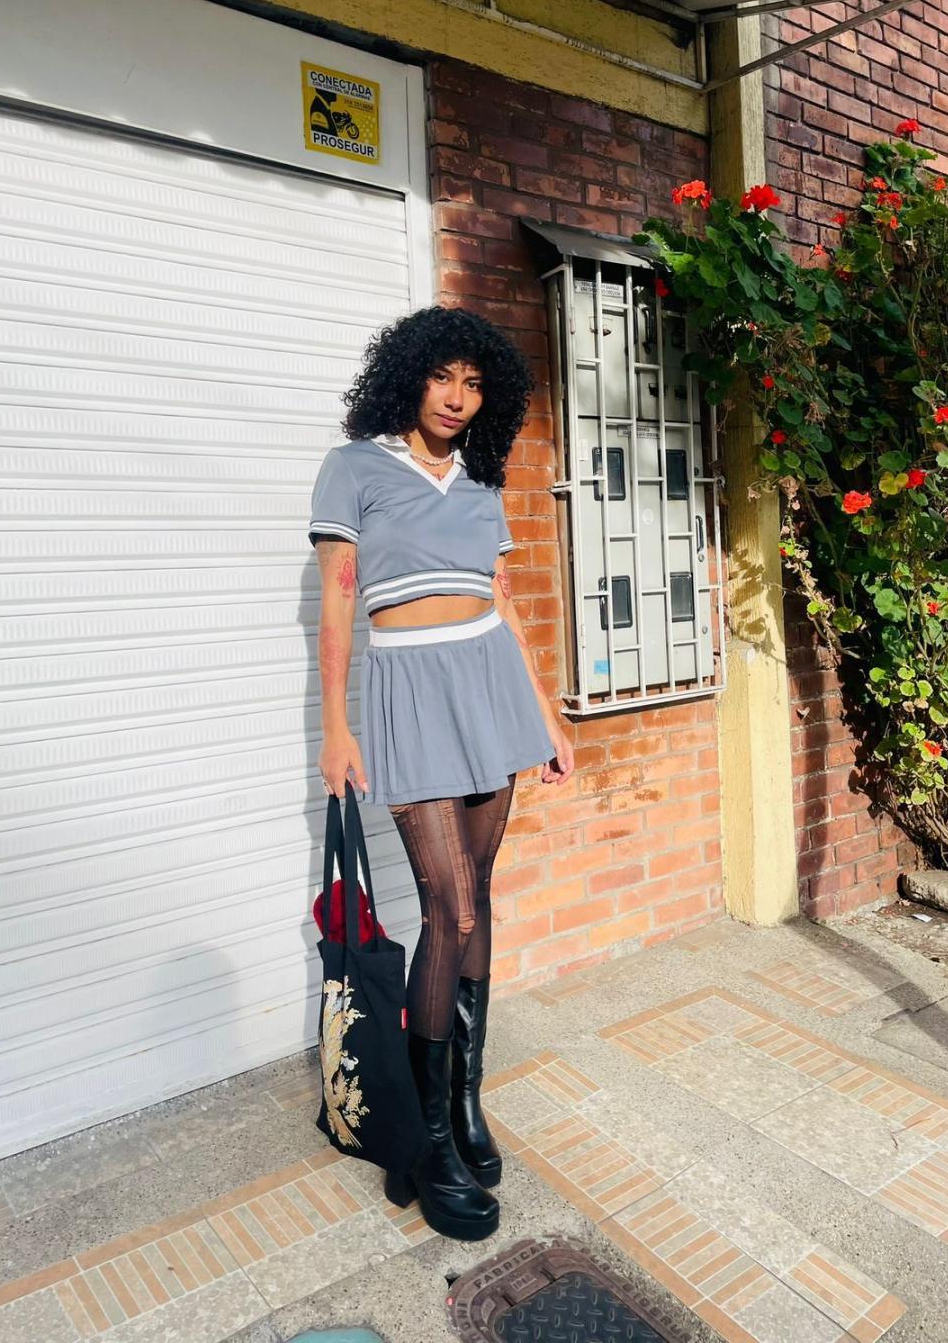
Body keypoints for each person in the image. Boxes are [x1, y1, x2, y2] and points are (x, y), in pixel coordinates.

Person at [308, 304, 575, 1242]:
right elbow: (338, 601)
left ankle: (464, 1104)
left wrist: (546, 714)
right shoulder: (355, 466)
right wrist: (336, 726)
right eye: (442, 377)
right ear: (409, 375)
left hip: (491, 687)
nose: (458, 398)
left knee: (479, 901)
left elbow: (501, 598)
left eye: (474, 384)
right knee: (449, 909)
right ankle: (426, 1140)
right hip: (411, 695)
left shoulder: (480, 479)